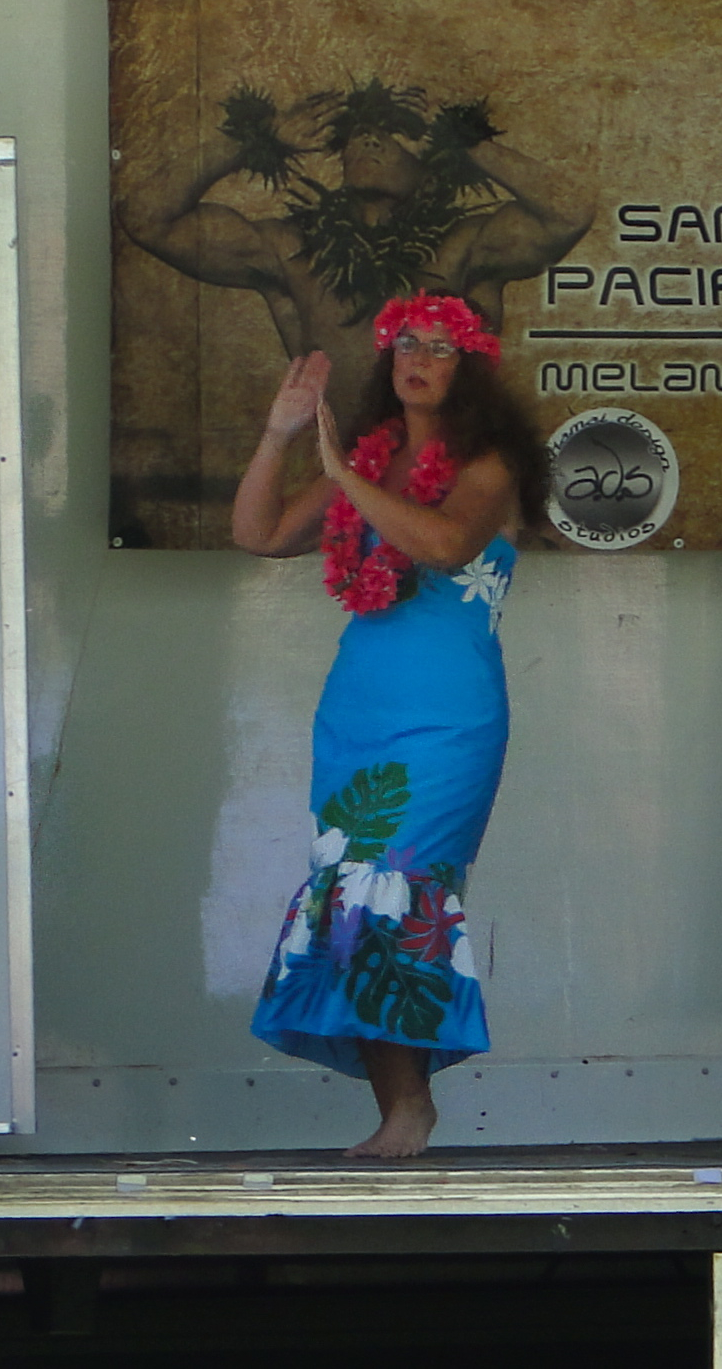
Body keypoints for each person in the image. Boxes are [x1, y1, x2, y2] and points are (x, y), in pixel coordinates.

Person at [232, 291, 546, 1156]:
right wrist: (281, 436)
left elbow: (443, 545)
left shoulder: (490, 465)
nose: (420, 357)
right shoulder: (368, 462)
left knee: (400, 885)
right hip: (359, 709)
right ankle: (399, 1106)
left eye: (442, 346)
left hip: (447, 716)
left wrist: (344, 478)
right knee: (350, 892)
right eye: (408, 341)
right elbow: (259, 533)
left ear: (471, 365)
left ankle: (410, 1107)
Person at [120, 78, 594, 383]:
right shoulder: (290, 249)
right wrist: (254, 138)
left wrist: (465, 138)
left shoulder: (468, 245)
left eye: (395, 132)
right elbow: (145, 218)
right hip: (341, 482)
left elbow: (570, 211)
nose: (370, 139)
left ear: (433, 160)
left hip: (451, 485)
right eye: (357, 133)